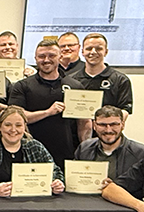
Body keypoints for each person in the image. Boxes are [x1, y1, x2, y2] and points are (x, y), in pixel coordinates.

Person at [8, 39, 90, 167]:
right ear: (35, 58)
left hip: (65, 154)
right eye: (41, 56)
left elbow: (83, 123)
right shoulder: (22, 86)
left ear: (60, 57)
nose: (46, 60)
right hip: (29, 154)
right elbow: (16, 117)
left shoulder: (74, 86)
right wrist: (47, 112)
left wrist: (85, 152)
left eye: (51, 55)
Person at [0, 106, 64, 197]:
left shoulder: (35, 146)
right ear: (0, 125)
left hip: (32, 201)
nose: (13, 130)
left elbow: (55, 171)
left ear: (24, 126)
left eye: (18, 125)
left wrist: (57, 183)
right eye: (8, 125)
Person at [72, 33, 134, 118]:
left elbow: (125, 110)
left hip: (107, 130)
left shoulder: (120, 80)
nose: (93, 52)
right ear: (82, 52)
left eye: (98, 49)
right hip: (79, 130)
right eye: (89, 48)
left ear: (106, 52)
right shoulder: (72, 80)